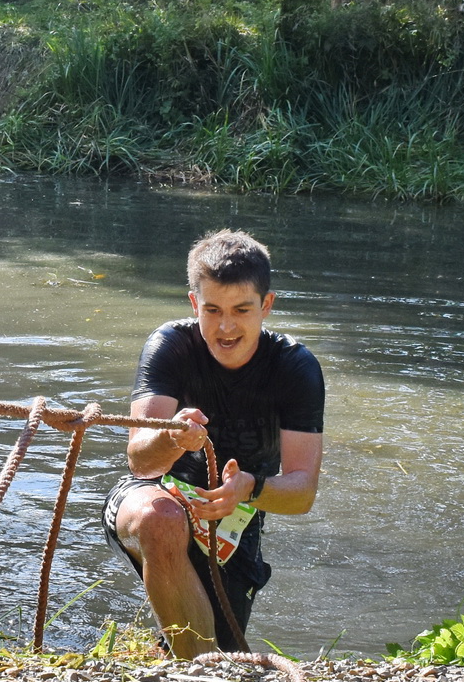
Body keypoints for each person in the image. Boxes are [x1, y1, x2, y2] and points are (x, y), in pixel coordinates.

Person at [102, 231, 326, 658]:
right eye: (212, 310)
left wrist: (250, 488)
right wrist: (170, 438)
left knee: (218, 647)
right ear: (193, 304)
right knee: (159, 519)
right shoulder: (170, 345)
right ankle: (196, 679)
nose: (225, 327)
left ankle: (168, 658)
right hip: (154, 497)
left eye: (242, 310)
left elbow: (302, 493)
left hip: (235, 514)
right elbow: (140, 462)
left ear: (266, 305)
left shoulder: (296, 367)